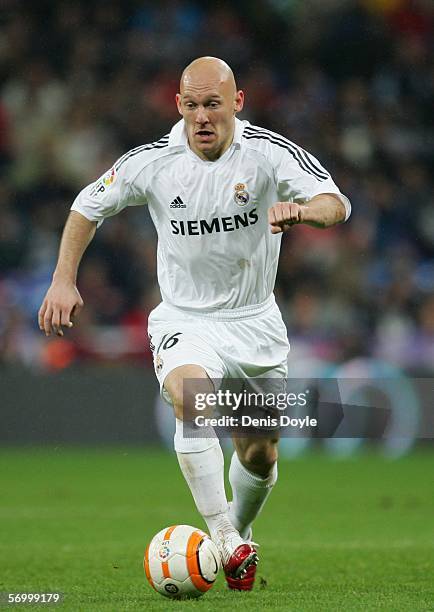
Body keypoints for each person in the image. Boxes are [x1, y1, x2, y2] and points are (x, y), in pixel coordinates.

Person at [38, 56, 351, 591]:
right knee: (193, 397)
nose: (202, 116)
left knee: (260, 450)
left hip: (254, 322)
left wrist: (302, 212)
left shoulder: (269, 155)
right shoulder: (154, 160)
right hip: (185, 317)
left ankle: (241, 533)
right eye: (191, 105)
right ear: (178, 106)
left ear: (237, 102)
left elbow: (336, 203)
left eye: (212, 104)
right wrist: (64, 278)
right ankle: (225, 540)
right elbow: (87, 205)